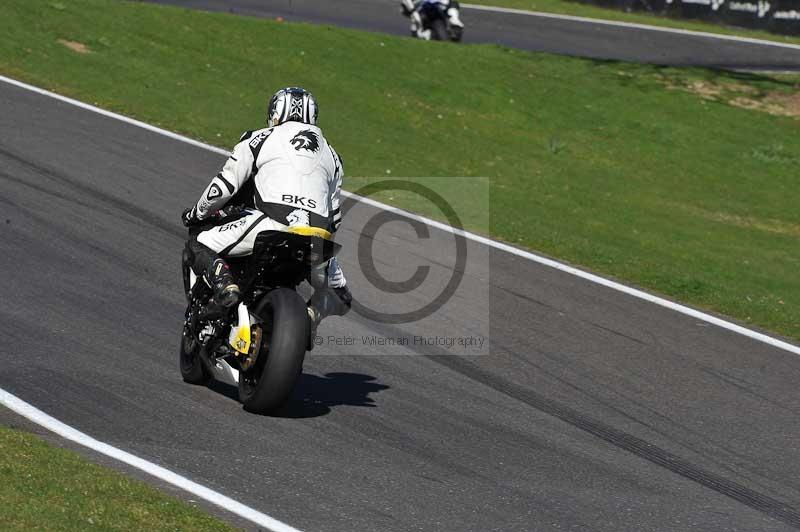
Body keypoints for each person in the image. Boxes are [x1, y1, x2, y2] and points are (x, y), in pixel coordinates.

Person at [182, 87, 352, 334]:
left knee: (199, 243)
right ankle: (309, 318)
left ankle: (226, 286)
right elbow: (334, 216)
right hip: (317, 238)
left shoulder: (259, 137)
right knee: (340, 294)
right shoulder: (334, 157)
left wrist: (197, 214)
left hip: (272, 223)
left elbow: (224, 186)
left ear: (274, 115)